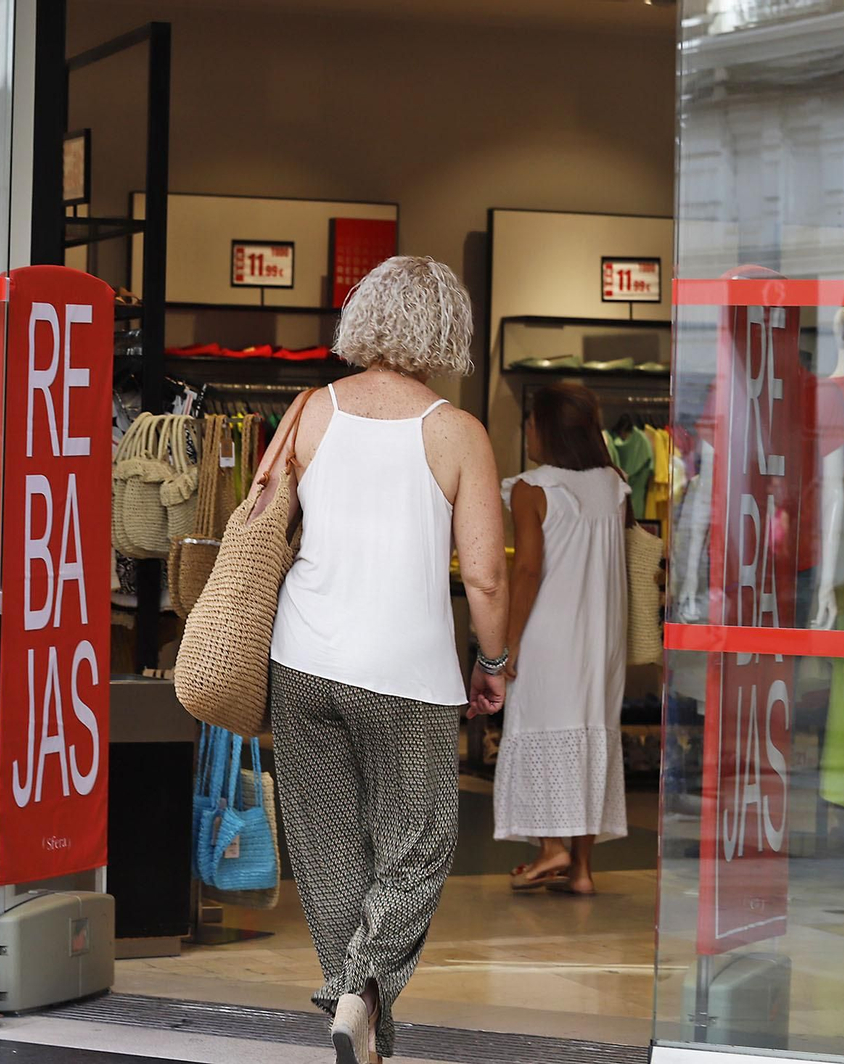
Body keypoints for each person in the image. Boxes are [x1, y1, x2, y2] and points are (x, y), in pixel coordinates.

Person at [264, 256, 510, 1064]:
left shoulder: (310, 412)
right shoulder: (458, 432)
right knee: (421, 840)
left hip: (302, 657)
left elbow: (267, 523)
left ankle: (359, 1022)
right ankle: (363, 995)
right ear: (446, 330)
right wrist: (495, 660)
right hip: (407, 672)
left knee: (330, 849)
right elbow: (484, 572)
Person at [494, 382, 629, 895]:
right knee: (592, 730)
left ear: (546, 428)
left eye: (530, 422)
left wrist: (508, 642)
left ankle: (551, 848)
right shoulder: (615, 483)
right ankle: (582, 870)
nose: (526, 431)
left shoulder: (533, 488)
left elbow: (527, 570)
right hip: (603, 635)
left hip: (553, 629)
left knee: (542, 727)